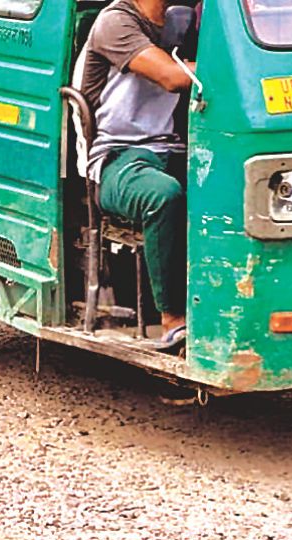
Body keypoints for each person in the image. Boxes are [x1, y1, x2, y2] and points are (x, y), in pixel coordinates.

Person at [78, 0, 194, 350]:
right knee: (162, 196)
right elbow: (172, 77)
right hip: (115, 159)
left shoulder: (183, 20)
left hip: (170, 148)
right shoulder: (115, 22)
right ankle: (173, 320)